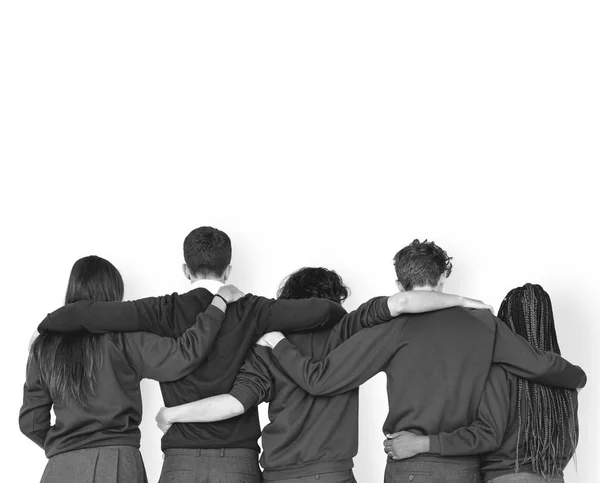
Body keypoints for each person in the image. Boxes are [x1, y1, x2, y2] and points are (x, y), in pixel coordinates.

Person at [36, 227, 465, 483]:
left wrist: (50, 322)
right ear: (227, 269)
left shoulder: (154, 310)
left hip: (182, 463)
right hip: (245, 462)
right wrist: (329, 313)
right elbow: (325, 310)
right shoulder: (259, 311)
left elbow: (93, 314)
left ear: (186, 269)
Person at [257, 240, 587, 483]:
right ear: (443, 277)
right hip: (464, 467)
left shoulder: (390, 328)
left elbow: (320, 380)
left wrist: (280, 343)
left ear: (399, 284)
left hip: (409, 466)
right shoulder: (485, 325)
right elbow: (541, 366)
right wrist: (579, 377)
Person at [154, 267, 493, 483]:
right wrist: (463, 301)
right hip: (336, 475)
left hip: (281, 476)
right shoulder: (349, 332)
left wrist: (172, 413)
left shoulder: (267, 346)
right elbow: (402, 303)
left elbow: (234, 404)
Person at [20, 255, 244, 483]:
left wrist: (66, 446)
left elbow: (30, 423)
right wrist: (219, 303)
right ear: (113, 295)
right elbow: (185, 355)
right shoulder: (124, 338)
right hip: (118, 461)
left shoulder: (44, 347)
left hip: (61, 467)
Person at [383, 283, 579, 483]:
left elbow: (487, 435)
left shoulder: (499, 372)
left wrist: (423, 443)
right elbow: (569, 441)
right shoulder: (566, 379)